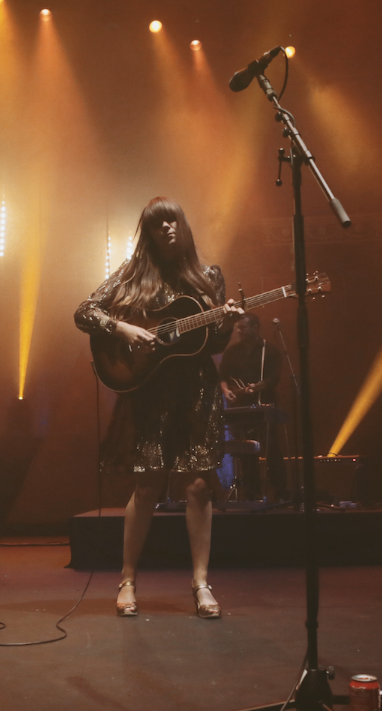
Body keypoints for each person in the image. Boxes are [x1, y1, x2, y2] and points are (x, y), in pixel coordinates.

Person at [74, 198, 244, 619]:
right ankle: (127, 579)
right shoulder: (133, 274)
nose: (165, 228)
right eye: (155, 224)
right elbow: (84, 312)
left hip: (198, 391)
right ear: (147, 233)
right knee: (148, 485)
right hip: (151, 389)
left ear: (182, 226)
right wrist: (125, 328)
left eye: (171, 220)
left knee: (199, 486)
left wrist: (225, 323)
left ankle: (201, 583)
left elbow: (215, 345)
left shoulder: (209, 277)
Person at [218, 314, 286, 500]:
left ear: (255, 328)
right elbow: (222, 376)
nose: (238, 331)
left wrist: (256, 387)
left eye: (243, 328)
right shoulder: (232, 351)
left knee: (270, 448)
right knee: (246, 450)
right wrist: (226, 391)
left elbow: (273, 379)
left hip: (263, 404)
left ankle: (280, 491)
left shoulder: (269, 350)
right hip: (241, 407)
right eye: (237, 328)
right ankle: (251, 491)